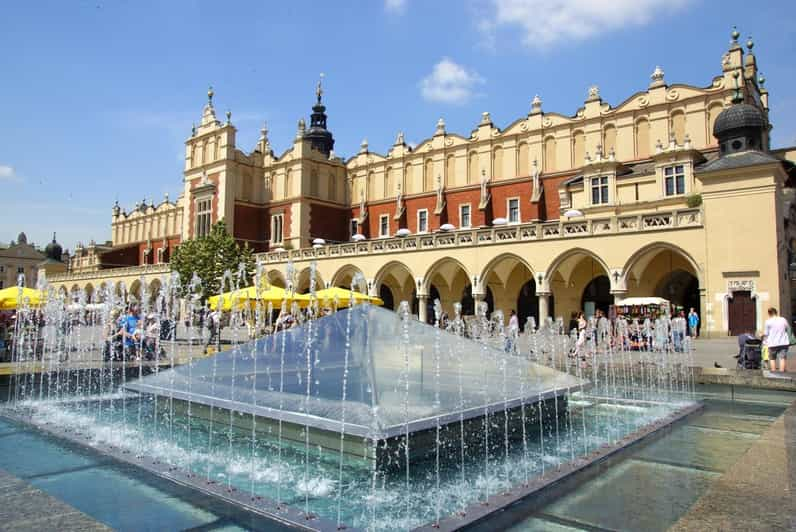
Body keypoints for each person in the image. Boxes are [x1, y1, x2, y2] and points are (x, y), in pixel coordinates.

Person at [762, 307, 789, 373]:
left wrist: (762, 337)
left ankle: (774, 373)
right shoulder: (783, 319)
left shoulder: (768, 321)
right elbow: (787, 328)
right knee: (782, 358)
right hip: (783, 342)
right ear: (776, 312)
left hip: (772, 343)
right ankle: (782, 373)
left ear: (769, 313)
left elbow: (766, 333)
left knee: (772, 358)